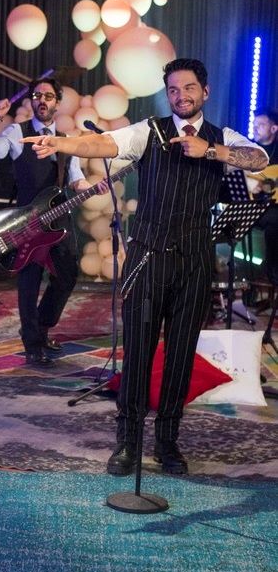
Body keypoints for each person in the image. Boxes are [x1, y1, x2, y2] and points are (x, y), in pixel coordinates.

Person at [22, 58, 268, 474]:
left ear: (205, 92)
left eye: (188, 88)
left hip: (195, 261)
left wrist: (210, 151)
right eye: (173, 90)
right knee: (137, 352)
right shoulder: (149, 131)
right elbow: (102, 144)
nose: (180, 96)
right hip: (149, 256)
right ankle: (128, 443)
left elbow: (258, 158)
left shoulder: (221, 136)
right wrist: (62, 144)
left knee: (180, 354)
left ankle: (168, 443)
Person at [0, 77, 100, 367]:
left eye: (48, 96)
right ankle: (32, 345)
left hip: (58, 221)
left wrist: (95, 187)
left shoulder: (65, 140)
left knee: (67, 275)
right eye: (37, 96)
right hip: (27, 222)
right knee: (29, 281)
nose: (42, 100)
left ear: (57, 102)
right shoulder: (16, 132)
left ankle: (41, 327)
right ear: (32, 101)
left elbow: (76, 180)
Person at [250, 108, 278, 287]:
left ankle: (271, 274)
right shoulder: (248, 149)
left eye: (260, 124)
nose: (255, 128)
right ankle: (270, 274)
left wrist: (269, 184)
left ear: (274, 128)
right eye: (254, 124)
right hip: (250, 206)